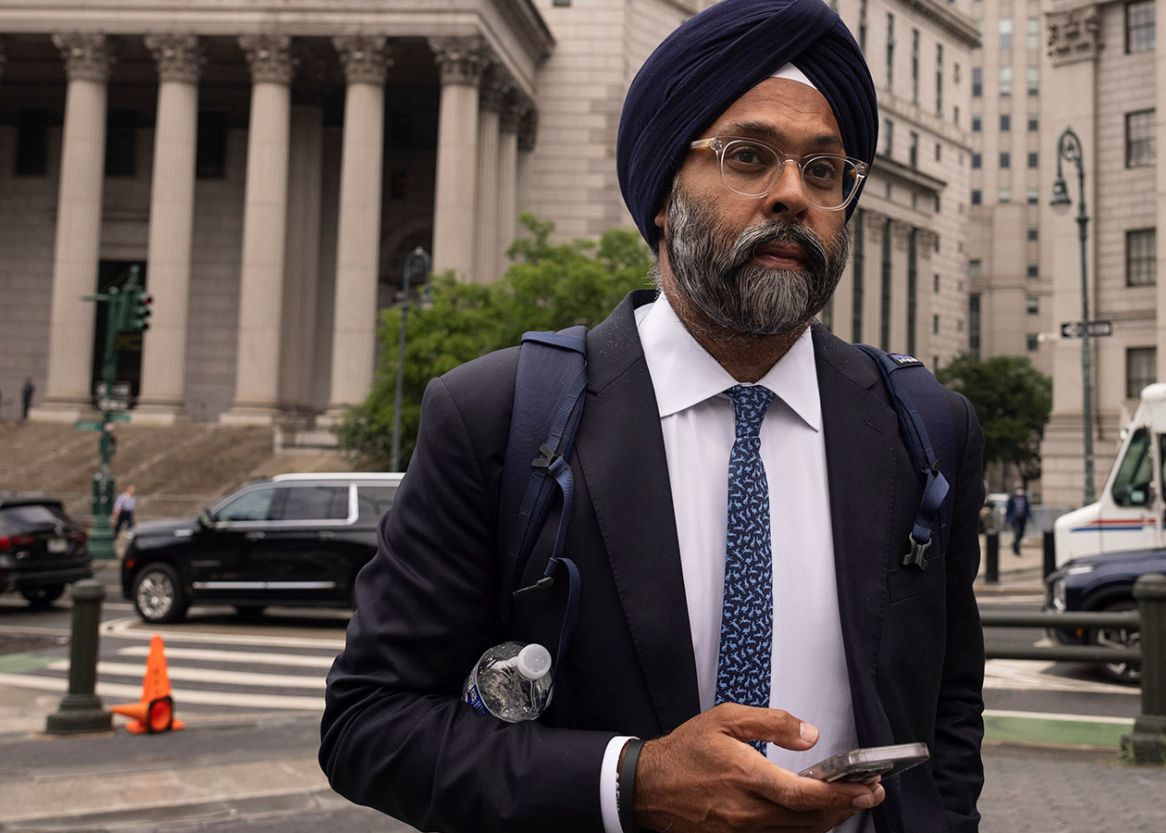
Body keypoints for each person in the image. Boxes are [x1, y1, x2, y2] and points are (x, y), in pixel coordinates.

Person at [320, 3, 985, 832]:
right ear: (666, 191)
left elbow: (948, 710)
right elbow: (370, 722)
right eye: (749, 157)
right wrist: (631, 780)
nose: (793, 194)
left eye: (823, 171)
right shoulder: (495, 415)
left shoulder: (925, 426)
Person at [1004, 487, 1031, 556]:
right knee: (1017, 533)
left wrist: (1029, 516)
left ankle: (1014, 544)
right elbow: (1008, 509)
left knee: (1021, 534)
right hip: (1014, 519)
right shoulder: (1012, 498)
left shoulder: (1025, 498)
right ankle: (1016, 549)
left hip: (1022, 519)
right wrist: (1007, 518)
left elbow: (1027, 508)